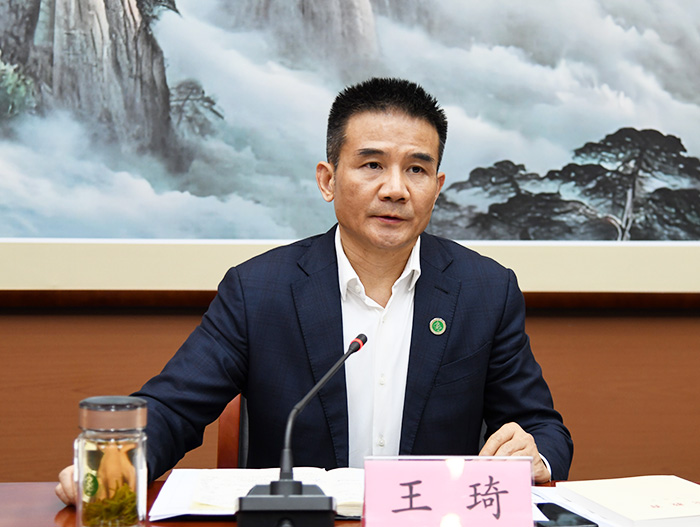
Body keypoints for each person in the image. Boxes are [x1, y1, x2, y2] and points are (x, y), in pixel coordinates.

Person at [57, 77, 572, 505]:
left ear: (436, 188)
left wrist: (535, 457)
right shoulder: (259, 290)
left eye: (416, 169)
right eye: (372, 165)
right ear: (328, 180)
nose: (395, 189)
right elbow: (173, 407)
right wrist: (110, 465)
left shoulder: (485, 291)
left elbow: (545, 430)